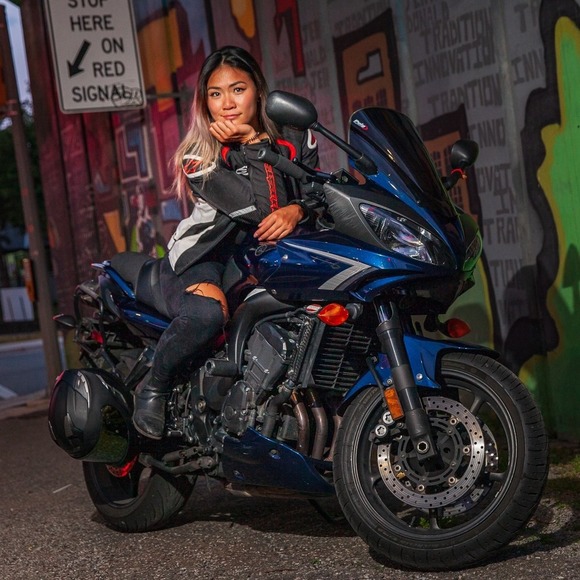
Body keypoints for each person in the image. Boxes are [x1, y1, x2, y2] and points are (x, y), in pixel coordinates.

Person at [132, 45, 319, 439]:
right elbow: (262, 212)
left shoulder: (295, 136)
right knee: (207, 316)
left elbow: (317, 190)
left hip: (265, 253)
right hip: (207, 256)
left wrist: (299, 210)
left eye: (238, 89)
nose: (227, 104)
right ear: (205, 102)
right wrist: (253, 141)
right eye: (216, 94)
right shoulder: (197, 157)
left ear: (258, 91)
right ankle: (154, 388)